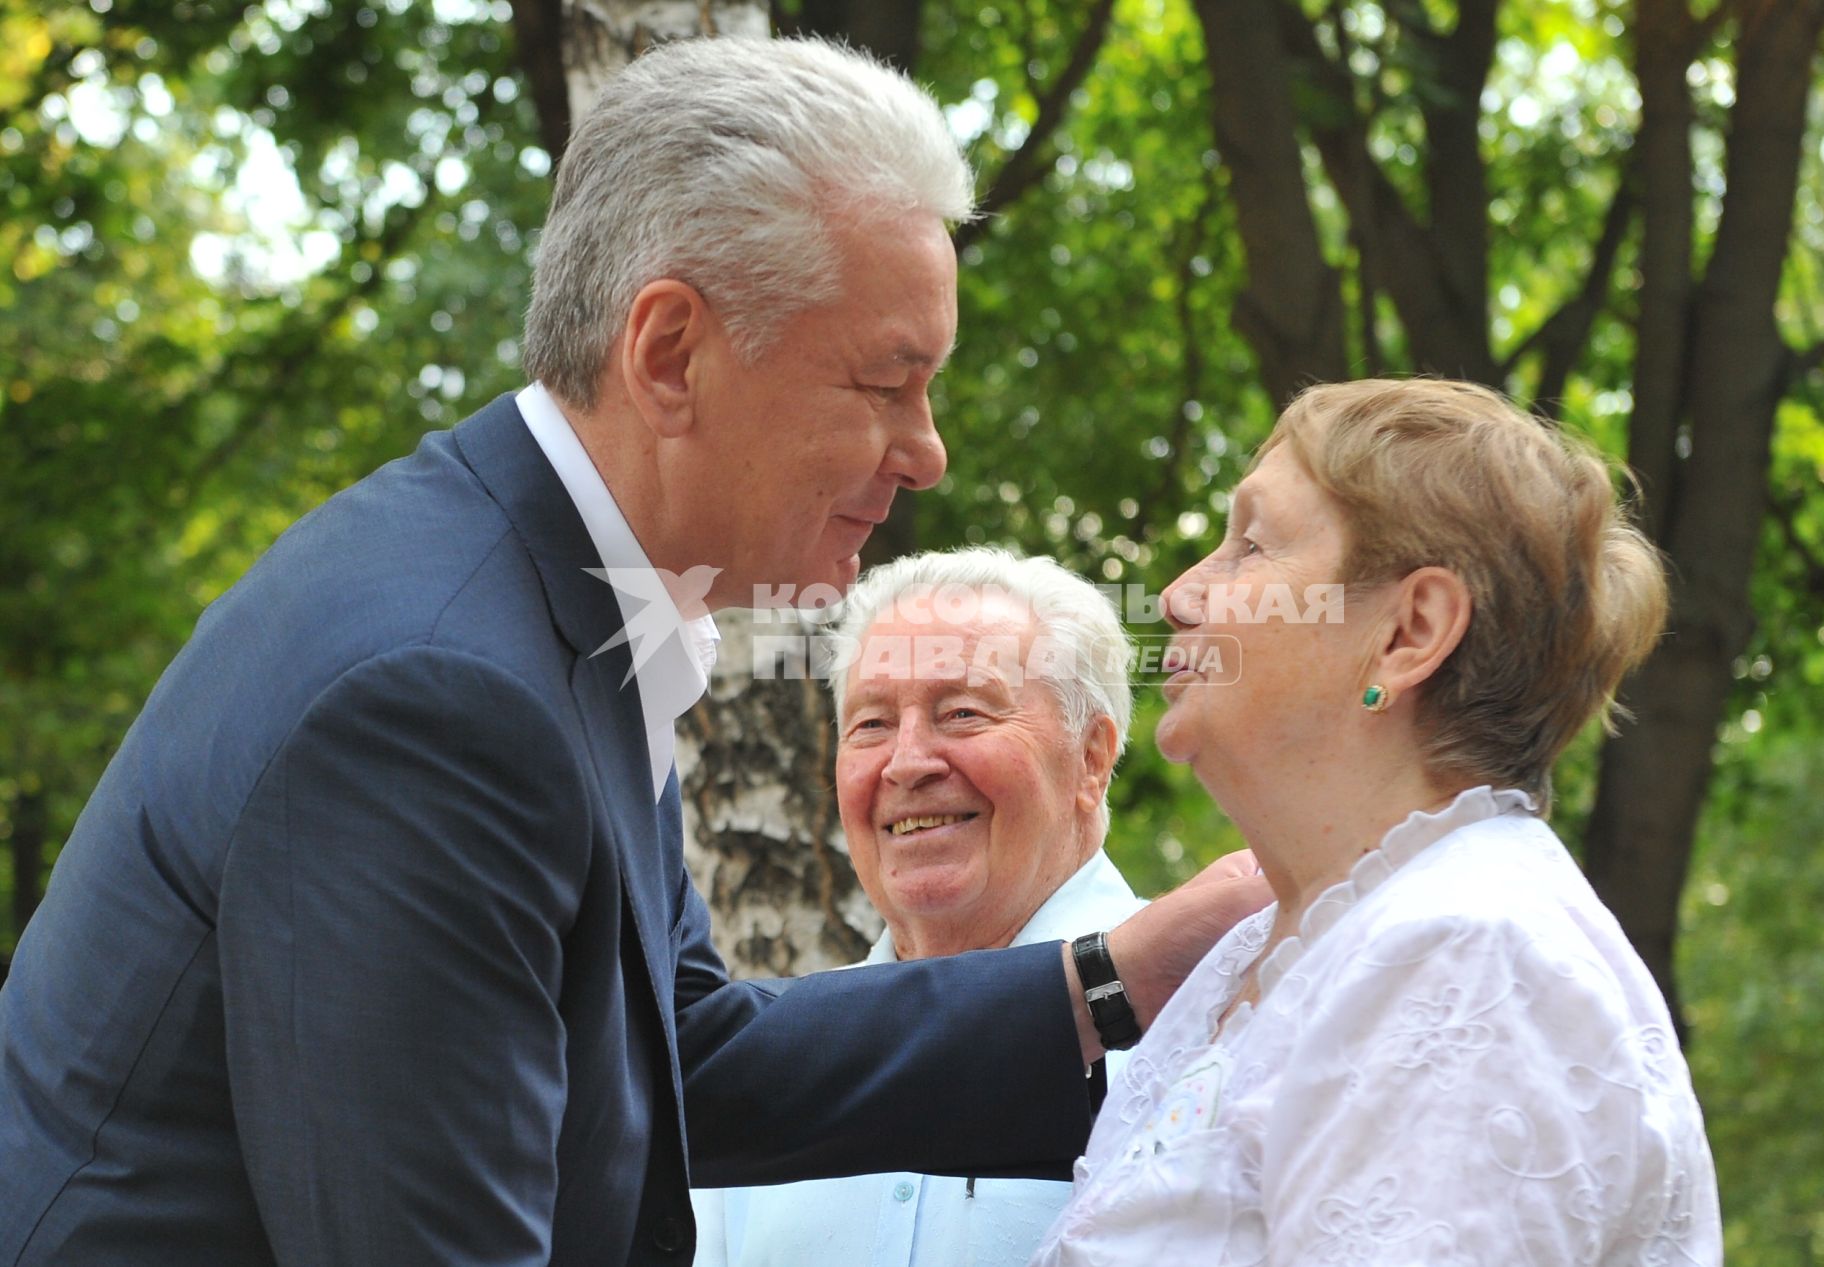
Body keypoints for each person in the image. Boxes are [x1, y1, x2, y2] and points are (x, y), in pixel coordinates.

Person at [0, 38, 1267, 1267]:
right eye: (888, 384)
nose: (927, 450)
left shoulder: (555, 613)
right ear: (670, 354)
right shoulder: (439, 699)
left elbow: (691, 1054)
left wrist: (1122, 975)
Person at [1029, 379, 1723, 1266]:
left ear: (1409, 632)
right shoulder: (1266, 954)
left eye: (1251, 547)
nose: (1177, 594)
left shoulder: (1468, 954)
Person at [693, 548, 1149, 1267]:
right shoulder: (774, 1064)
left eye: (963, 712)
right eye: (870, 723)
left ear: (1090, 758)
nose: (907, 762)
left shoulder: (1220, 1016)